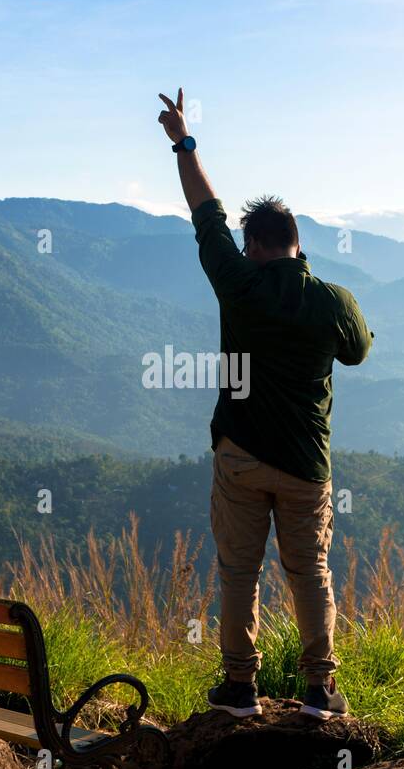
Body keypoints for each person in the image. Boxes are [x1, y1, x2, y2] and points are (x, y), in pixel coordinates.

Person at [157, 88, 374, 719]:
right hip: (307, 462)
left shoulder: (238, 281)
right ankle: (319, 691)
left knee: (237, 574)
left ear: (252, 244)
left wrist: (183, 141)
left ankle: (240, 688)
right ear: (299, 244)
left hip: (241, 454)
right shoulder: (332, 299)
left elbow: (205, 211)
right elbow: (358, 353)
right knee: (310, 575)